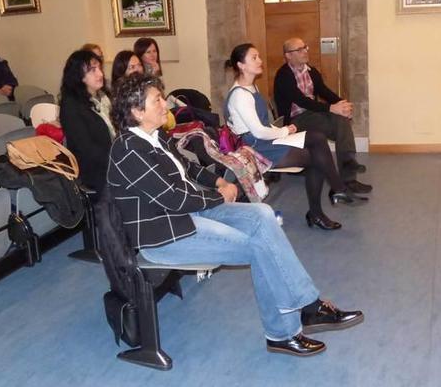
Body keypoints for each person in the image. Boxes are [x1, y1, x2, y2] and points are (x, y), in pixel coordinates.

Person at [107, 74, 363, 356]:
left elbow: (189, 169)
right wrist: (219, 195)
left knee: (263, 215)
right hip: (166, 236)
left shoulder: (157, 137)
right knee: (258, 247)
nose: (163, 103)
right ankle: (287, 328)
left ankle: (305, 311)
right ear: (136, 111)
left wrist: (218, 182)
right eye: (156, 99)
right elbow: (173, 198)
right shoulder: (129, 149)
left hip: (188, 216)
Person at [226, 43, 364, 231]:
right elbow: (258, 132)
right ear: (241, 65)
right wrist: (285, 131)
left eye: (258, 56)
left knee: (316, 138)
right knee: (316, 157)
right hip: (257, 147)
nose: (260, 61)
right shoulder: (240, 95)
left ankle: (335, 192)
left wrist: (281, 131)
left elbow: (264, 128)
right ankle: (328, 201)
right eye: (254, 58)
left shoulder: (251, 88)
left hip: (266, 139)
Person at [274, 37, 371, 194]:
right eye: (299, 50)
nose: (305, 51)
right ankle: (347, 173)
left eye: (305, 47)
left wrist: (343, 104)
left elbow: (324, 91)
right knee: (337, 118)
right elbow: (302, 101)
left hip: (313, 115)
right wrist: (332, 108)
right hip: (295, 121)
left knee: (341, 119)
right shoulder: (283, 75)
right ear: (288, 55)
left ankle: (348, 174)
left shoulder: (311, 71)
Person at [59, 50, 115, 192]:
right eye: (92, 70)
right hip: (95, 172)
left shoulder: (103, 97)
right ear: (79, 75)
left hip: (113, 160)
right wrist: (119, 159)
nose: (100, 74)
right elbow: (87, 150)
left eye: (99, 68)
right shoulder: (71, 106)